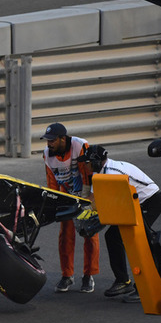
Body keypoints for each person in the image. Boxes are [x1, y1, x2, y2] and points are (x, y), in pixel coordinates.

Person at [78, 144, 161, 302]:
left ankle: (146, 288)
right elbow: (93, 199)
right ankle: (123, 281)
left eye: (87, 162)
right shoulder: (100, 172)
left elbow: (114, 204)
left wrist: (95, 219)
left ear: (96, 162)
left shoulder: (113, 174)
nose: (84, 165)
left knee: (138, 241)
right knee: (113, 237)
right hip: (131, 203)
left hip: (150, 201)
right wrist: (79, 209)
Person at [41, 122, 100, 293]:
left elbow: (89, 173)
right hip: (66, 197)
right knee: (65, 235)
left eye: (52, 140)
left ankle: (89, 275)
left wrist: (89, 200)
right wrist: (54, 204)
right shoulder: (47, 154)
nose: (49, 144)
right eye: (47, 140)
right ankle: (67, 275)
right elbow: (51, 181)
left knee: (89, 233)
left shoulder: (80, 146)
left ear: (62, 139)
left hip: (85, 194)